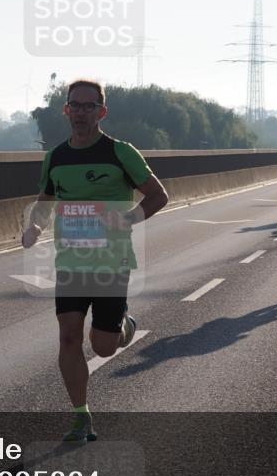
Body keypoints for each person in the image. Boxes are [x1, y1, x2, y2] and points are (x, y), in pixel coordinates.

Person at [21, 79, 168, 444]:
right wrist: (35, 226)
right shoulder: (56, 156)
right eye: (76, 105)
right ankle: (80, 416)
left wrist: (130, 218)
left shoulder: (120, 152)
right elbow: (45, 199)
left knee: (102, 345)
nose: (82, 111)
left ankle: (124, 325)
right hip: (71, 263)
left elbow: (158, 195)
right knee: (69, 337)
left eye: (90, 106)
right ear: (66, 110)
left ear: (101, 112)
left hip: (111, 263)